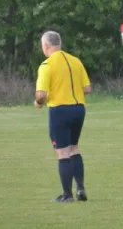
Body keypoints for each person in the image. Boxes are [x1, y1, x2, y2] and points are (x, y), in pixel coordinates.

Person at [34, 31, 91, 203]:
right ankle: (80, 188)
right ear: (59, 43)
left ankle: (67, 195)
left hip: (59, 110)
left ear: (45, 46)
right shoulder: (76, 61)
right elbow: (87, 89)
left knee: (62, 152)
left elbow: (41, 94)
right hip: (79, 109)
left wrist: (38, 102)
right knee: (74, 148)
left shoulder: (47, 65)